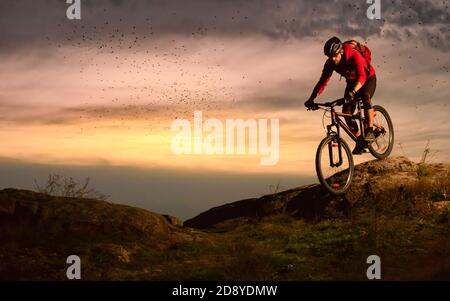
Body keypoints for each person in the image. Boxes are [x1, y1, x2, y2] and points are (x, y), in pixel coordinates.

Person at [304, 36, 377, 154]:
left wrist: (353, 91)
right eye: (330, 56)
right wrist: (311, 99)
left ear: (341, 51)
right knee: (346, 113)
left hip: (367, 78)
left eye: (335, 55)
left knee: (365, 96)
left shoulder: (353, 55)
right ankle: (360, 141)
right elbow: (322, 82)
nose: (332, 58)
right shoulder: (330, 63)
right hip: (352, 82)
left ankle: (370, 131)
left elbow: (362, 76)